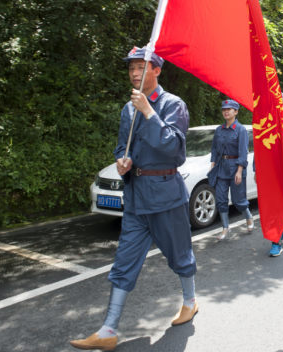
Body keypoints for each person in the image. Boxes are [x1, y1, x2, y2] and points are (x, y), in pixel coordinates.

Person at [70, 47, 197, 351]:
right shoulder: (127, 109)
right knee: (124, 261)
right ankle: (108, 329)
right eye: (131, 69)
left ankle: (190, 301)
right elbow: (120, 148)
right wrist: (121, 162)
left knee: (179, 255)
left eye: (142, 67)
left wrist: (148, 112)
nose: (135, 73)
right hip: (136, 197)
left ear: (157, 71)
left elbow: (174, 149)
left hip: (166, 195)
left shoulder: (172, 105)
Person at [257, 93, 283, 257]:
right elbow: (259, 149)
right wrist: (256, 169)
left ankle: (276, 243)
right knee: (269, 205)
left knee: (280, 206)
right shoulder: (261, 122)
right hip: (267, 172)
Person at [210, 100, 253, 241]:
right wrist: (212, 166)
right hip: (222, 167)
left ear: (236, 111)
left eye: (229, 109)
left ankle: (249, 217)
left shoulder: (240, 130)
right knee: (221, 200)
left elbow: (243, 152)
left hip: (236, 168)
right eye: (224, 109)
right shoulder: (219, 129)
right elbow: (214, 150)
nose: (226, 111)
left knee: (238, 200)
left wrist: (239, 171)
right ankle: (225, 228)